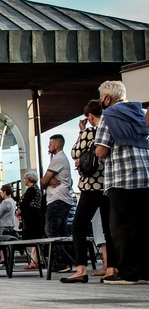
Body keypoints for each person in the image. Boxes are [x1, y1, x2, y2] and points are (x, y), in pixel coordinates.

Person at [94, 80, 149, 285]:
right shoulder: (141, 112)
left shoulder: (109, 116)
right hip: (145, 176)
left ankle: (128, 273)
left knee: (122, 228)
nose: (101, 102)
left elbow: (101, 150)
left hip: (122, 177)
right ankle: (145, 271)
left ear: (108, 98)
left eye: (101, 98)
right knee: (144, 226)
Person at [63, 100, 113, 283]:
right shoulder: (109, 129)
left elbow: (76, 153)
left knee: (78, 226)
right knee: (108, 227)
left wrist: (81, 132)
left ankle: (81, 269)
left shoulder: (90, 131)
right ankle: (111, 268)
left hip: (91, 185)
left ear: (90, 116)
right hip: (107, 184)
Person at [40, 134, 74, 273]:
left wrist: (47, 180)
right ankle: (67, 261)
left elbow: (42, 182)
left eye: (50, 144)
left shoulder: (58, 158)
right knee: (62, 232)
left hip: (57, 199)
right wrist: (48, 180)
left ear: (57, 145)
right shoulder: (61, 159)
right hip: (61, 198)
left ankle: (62, 261)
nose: (48, 146)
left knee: (51, 230)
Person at [18, 171, 44, 270]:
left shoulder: (31, 190)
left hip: (31, 216)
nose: (24, 180)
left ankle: (35, 261)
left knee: (33, 238)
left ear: (28, 179)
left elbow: (25, 203)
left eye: (25, 179)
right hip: (35, 214)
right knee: (35, 238)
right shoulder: (36, 189)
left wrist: (18, 212)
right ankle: (35, 260)